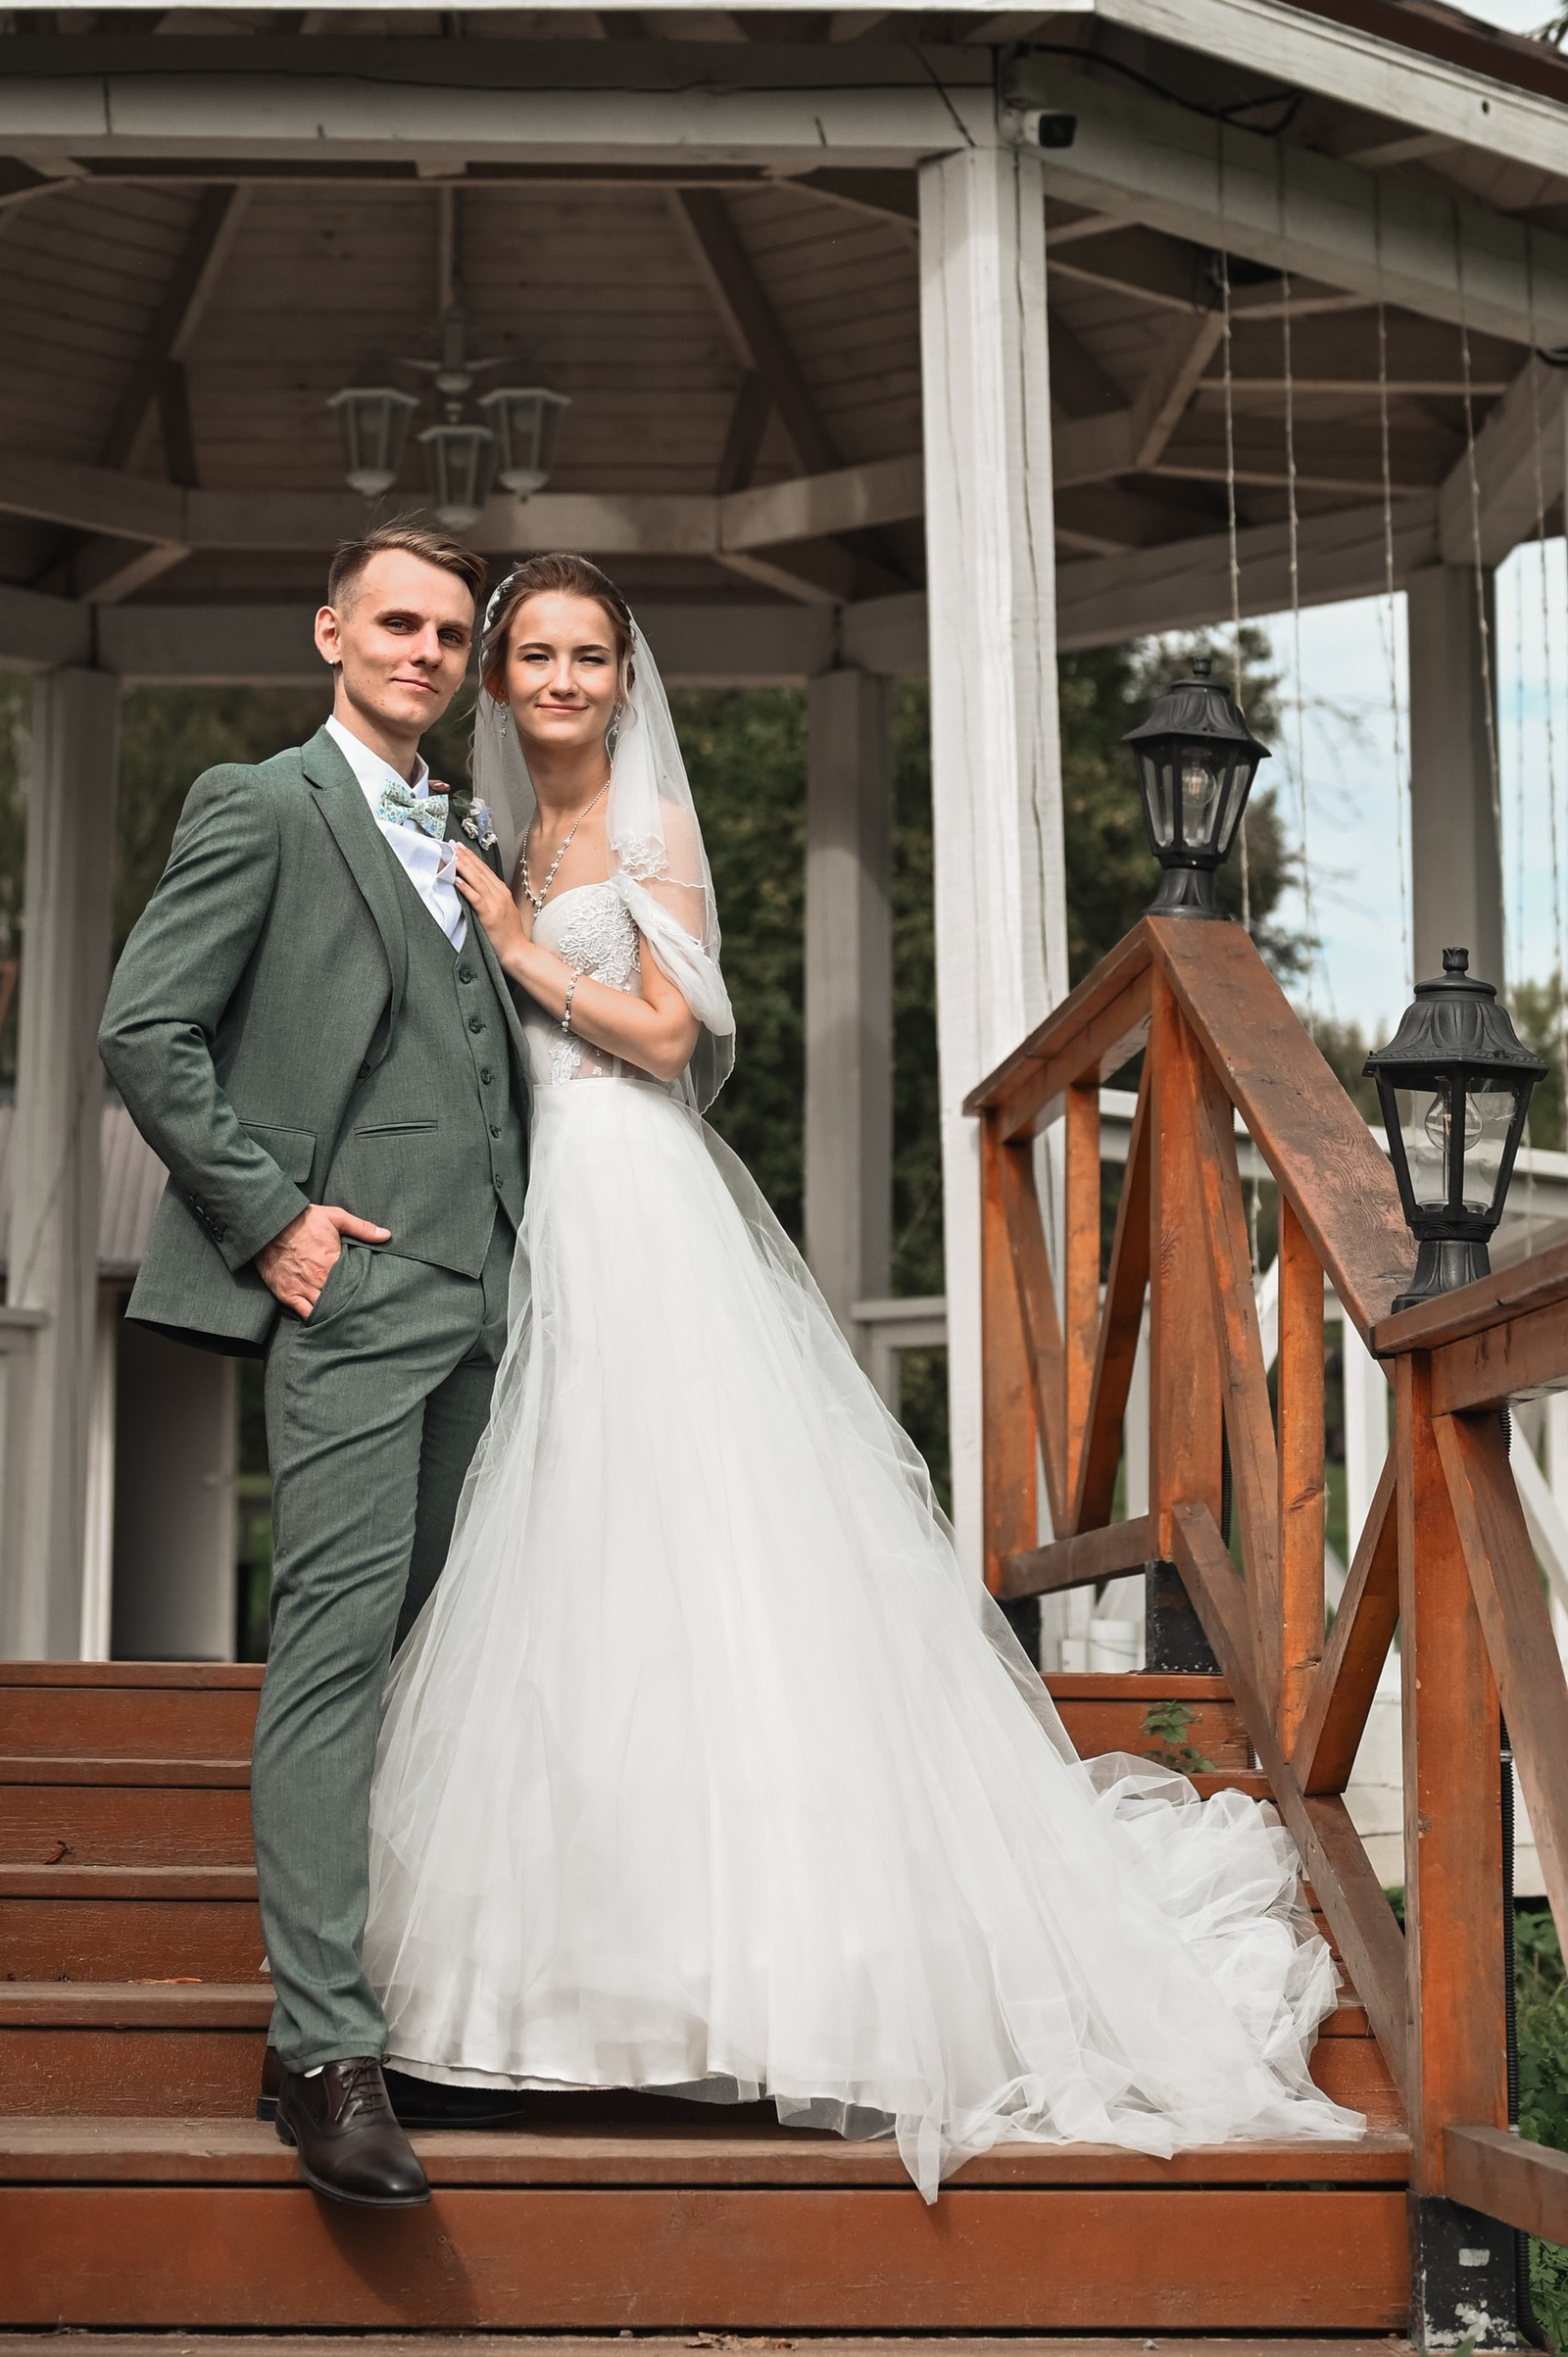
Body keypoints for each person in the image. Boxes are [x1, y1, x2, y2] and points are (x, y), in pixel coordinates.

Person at [363, 551, 1362, 2205]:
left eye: (586, 656)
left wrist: (520, 947)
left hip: (640, 1207)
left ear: (624, 679)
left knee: (697, 1553)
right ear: (494, 683)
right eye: (530, 655)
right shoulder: (496, 838)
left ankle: (781, 1988)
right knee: (574, 1579)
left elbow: (678, 1036)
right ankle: (552, 2004)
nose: (557, 681)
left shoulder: (639, 832)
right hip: (535, 1216)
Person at [98, 527, 527, 2211]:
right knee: (339, 1659)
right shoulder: (263, 803)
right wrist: (272, 1221)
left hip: (500, 1303)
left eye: (450, 632)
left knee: (460, 1658)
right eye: (398, 623)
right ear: (333, 631)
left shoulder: (474, 828)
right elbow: (147, 1027)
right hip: (353, 1295)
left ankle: (435, 2006)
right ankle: (325, 2048)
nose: (427, 650)